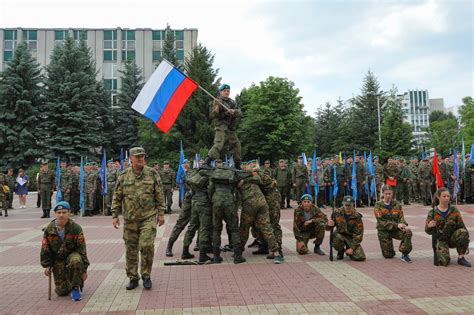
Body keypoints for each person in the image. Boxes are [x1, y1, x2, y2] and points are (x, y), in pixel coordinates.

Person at [111, 147, 165, 290]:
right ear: (131, 159)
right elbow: (117, 196)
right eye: (137, 156)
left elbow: (159, 194)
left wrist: (161, 214)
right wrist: (114, 215)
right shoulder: (123, 176)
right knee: (131, 249)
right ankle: (133, 277)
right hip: (130, 219)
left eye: (142, 156)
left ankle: (146, 275)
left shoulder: (152, 174)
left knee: (146, 245)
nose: (141, 158)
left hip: (148, 217)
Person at [40, 201, 89, 301]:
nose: (61, 215)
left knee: (76, 260)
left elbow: (82, 250)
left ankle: (76, 287)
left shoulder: (76, 228)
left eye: (64, 212)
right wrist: (47, 265)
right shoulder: (49, 229)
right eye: (59, 212)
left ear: (69, 213)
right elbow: (45, 248)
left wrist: (84, 270)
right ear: (55, 214)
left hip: (72, 255)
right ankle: (67, 282)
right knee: (62, 292)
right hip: (57, 260)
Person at [208, 163, 246, 264]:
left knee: (216, 229)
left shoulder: (215, 173)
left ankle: (216, 256)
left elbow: (210, 189)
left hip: (217, 201)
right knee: (234, 229)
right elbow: (239, 185)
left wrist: (212, 200)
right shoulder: (233, 173)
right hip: (229, 201)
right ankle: (237, 256)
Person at [425, 187, 471, 267]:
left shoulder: (454, 210)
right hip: (441, 240)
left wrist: (465, 240)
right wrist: (429, 226)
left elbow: (461, 226)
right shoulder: (433, 212)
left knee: (463, 232)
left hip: (453, 238)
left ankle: (461, 258)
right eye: (444, 196)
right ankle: (442, 253)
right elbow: (427, 231)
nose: (447, 198)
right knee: (443, 263)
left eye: (448, 196)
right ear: (438, 197)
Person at [203, 84, 242, 170]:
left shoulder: (232, 102)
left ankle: (238, 165)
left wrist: (234, 111)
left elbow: (240, 112)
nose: (226, 92)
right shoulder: (217, 101)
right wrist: (217, 106)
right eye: (224, 91)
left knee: (236, 145)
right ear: (220, 92)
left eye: (228, 91)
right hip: (221, 126)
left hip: (231, 127)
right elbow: (213, 115)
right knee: (218, 144)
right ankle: (207, 161)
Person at [374, 185, 413, 263]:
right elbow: (381, 221)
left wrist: (403, 225)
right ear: (383, 194)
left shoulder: (396, 204)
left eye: (390, 193)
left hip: (395, 229)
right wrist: (396, 225)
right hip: (384, 231)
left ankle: (405, 254)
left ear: (392, 193)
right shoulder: (378, 205)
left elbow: (401, 217)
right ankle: (388, 249)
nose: (388, 195)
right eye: (386, 194)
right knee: (388, 255)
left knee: (408, 232)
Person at [166, 159, 193, 257]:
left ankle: (187, 250)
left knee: (195, 226)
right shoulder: (183, 173)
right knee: (180, 224)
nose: (186, 164)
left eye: (188, 163)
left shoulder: (194, 172)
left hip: (197, 202)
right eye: (185, 163)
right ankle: (169, 246)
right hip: (187, 201)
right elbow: (182, 183)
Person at [327, 196, 365, 261]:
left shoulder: (357, 216)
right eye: (346, 205)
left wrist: (352, 248)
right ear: (343, 204)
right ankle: (341, 251)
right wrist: (328, 224)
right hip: (340, 235)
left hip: (351, 238)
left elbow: (359, 234)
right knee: (337, 238)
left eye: (349, 205)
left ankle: (348, 249)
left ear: (353, 204)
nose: (347, 207)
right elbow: (328, 228)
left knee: (360, 257)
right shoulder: (337, 213)